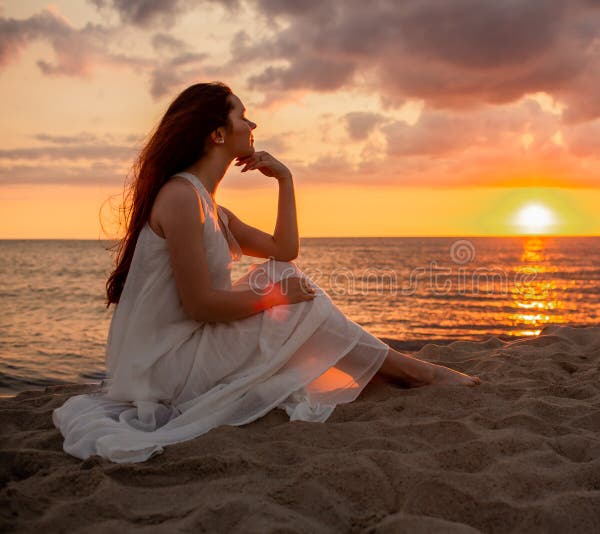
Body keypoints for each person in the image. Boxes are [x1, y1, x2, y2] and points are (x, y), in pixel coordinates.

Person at [52, 82, 480, 463]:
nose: (251, 121)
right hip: (169, 368)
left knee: (280, 274)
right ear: (217, 133)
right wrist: (277, 299)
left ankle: (389, 376)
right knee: (287, 293)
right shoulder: (182, 198)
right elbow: (201, 305)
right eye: (241, 114)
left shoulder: (210, 206)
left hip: (190, 350)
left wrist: (285, 179)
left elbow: (284, 249)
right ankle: (412, 372)